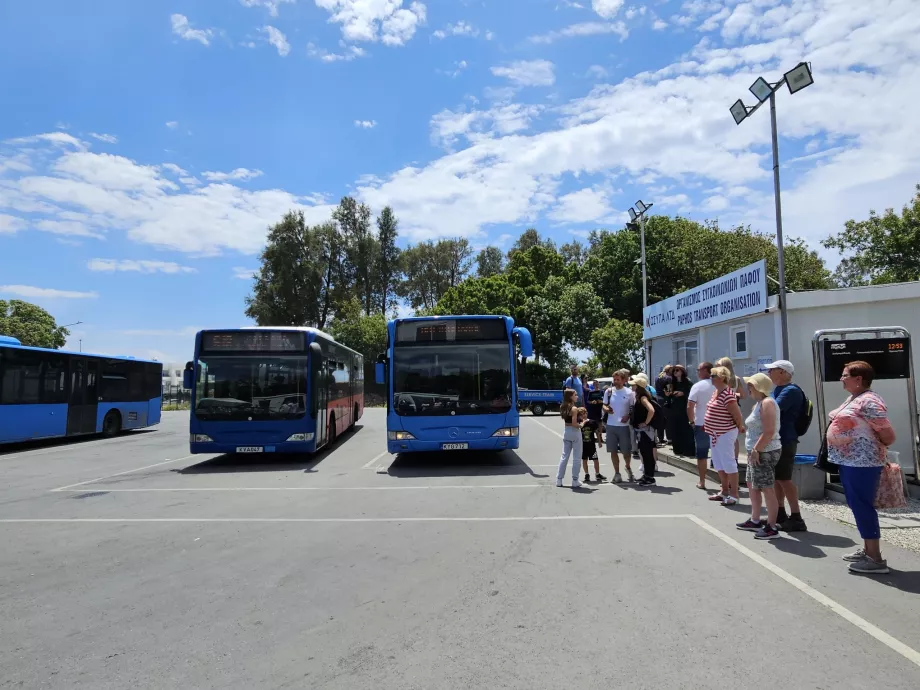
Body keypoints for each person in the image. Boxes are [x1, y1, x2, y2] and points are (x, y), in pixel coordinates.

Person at [829, 361, 896, 575]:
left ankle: (875, 559)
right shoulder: (855, 398)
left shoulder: (869, 402)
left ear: (859, 379)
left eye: (845, 375)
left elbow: (888, 435)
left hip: (863, 463)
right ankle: (868, 550)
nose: (841, 379)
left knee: (862, 506)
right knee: (857, 504)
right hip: (851, 462)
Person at [736, 373, 783, 539]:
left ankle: (771, 526)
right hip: (756, 450)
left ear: (758, 387)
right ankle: (755, 520)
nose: (748, 388)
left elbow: (769, 431)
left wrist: (757, 449)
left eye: (751, 385)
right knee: (752, 485)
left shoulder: (767, 403)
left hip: (764, 451)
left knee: (766, 488)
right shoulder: (759, 403)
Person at [766, 360, 808, 532]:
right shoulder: (778, 389)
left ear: (782, 372)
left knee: (784, 478)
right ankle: (780, 513)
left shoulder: (791, 391)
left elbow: (771, 410)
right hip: (777, 439)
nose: (769, 374)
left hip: (786, 439)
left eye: (772, 370)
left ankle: (797, 517)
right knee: (777, 478)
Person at [705, 366, 746, 506]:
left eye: (713, 375)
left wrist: (740, 426)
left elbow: (737, 414)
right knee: (718, 462)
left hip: (725, 432)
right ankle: (724, 491)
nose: (711, 378)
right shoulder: (716, 392)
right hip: (715, 433)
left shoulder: (728, 394)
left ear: (721, 377)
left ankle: (734, 494)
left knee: (728, 463)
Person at [603, 369, 635, 483]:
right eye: (614, 379)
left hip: (624, 426)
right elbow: (604, 405)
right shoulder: (609, 391)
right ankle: (617, 473)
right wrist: (606, 409)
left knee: (626, 452)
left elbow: (632, 408)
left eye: (618, 379)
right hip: (611, 426)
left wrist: (628, 416)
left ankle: (628, 467)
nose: (615, 381)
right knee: (613, 451)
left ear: (623, 380)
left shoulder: (629, 393)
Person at [687, 362, 716, 490]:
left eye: (699, 369)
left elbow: (690, 406)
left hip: (701, 424)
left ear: (706, 370)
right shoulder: (719, 385)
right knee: (719, 453)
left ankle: (702, 481)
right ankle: (725, 484)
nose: (697, 372)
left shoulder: (697, 386)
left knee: (702, 454)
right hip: (719, 424)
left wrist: (691, 421)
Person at [629, 374, 658, 486]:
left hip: (646, 431)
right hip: (643, 431)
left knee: (647, 454)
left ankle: (650, 478)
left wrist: (645, 423)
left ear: (638, 386)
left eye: (634, 385)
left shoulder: (643, 397)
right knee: (644, 453)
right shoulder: (640, 396)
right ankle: (647, 475)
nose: (632, 386)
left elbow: (651, 410)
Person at [716, 356, 745, 462]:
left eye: (719, 365)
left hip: (729, 409)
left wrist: (729, 394)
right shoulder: (720, 379)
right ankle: (728, 458)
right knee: (724, 435)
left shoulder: (735, 379)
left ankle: (734, 459)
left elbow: (742, 395)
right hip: (724, 408)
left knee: (731, 436)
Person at [557, 389, 585, 489]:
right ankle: (575, 480)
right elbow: (574, 423)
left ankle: (559, 479)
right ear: (570, 397)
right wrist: (582, 424)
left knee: (564, 456)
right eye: (575, 395)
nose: (577, 396)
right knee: (577, 457)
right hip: (575, 432)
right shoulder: (574, 408)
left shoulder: (563, 407)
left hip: (566, 431)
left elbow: (567, 422)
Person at [668, 365, 695, 457]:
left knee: (686, 429)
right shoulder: (672, 382)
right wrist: (669, 394)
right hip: (675, 408)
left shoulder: (688, 382)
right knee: (676, 429)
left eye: (677, 370)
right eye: (674, 370)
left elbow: (692, 394)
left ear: (682, 371)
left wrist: (683, 393)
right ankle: (678, 449)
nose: (675, 372)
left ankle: (688, 450)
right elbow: (668, 395)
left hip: (685, 408)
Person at [582, 388, 607, 482]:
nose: (584, 415)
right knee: (584, 460)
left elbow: (597, 432)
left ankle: (597, 474)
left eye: (585, 413)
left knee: (595, 459)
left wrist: (600, 441)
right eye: (582, 414)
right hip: (583, 445)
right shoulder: (580, 423)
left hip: (591, 444)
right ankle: (586, 474)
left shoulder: (592, 422)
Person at [654, 365, 673, 445]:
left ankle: (660, 438)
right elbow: (669, 391)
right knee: (668, 420)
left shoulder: (657, 377)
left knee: (660, 419)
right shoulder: (668, 378)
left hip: (658, 399)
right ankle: (669, 438)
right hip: (665, 399)